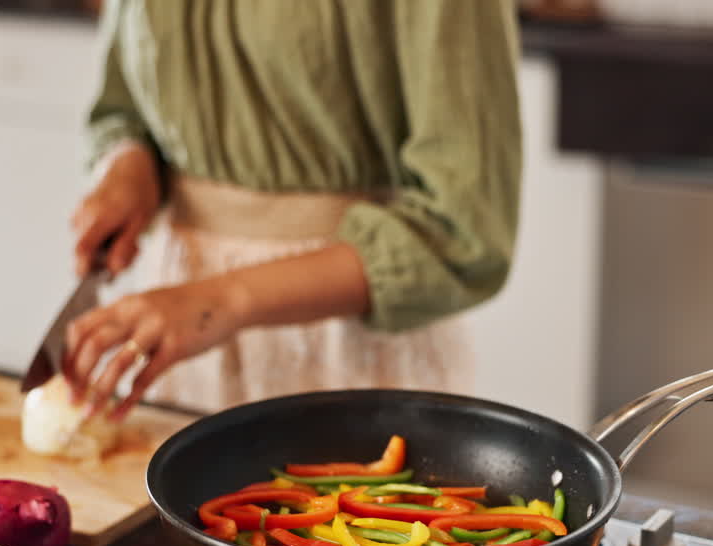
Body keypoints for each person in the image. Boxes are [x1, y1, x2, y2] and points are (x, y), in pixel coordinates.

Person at [63, 0, 522, 420]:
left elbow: (462, 233)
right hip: (175, 332)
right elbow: (122, 105)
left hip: (348, 354)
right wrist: (128, 166)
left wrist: (220, 300)